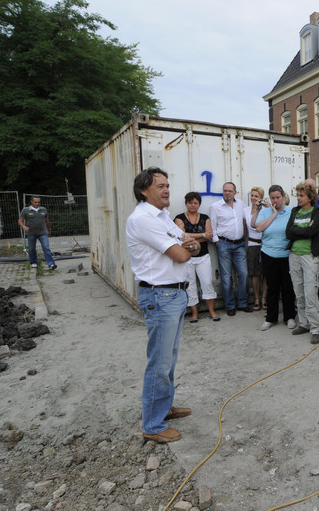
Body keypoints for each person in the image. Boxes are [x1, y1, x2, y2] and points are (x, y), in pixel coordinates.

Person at [125, 167, 199, 443]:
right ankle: (153, 425)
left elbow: (194, 247)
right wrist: (187, 246)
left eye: (167, 185)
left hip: (174, 294)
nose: (167, 190)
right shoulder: (143, 219)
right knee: (159, 361)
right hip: (160, 296)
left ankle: (164, 407)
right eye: (160, 186)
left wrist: (189, 245)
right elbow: (182, 254)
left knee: (169, 358)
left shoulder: (163, 216)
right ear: (144, 191)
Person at [286, 182, 319, 344]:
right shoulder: (294, 211)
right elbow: (288, 232)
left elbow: (313, 230)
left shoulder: (317, 212)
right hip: (294, 255)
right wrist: (303, 230)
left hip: (310, 256)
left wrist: (297, 229)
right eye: (298, 195)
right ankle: (304, 323)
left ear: (310, 197)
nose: (298, 198)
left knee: (310, 293)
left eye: (301, 195)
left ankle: (316, 329)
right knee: (299, 291)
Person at [253, 185, 296, 331]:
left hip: (287, 255)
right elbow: (259, 228)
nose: (275, 200)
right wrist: (273, 214)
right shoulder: (265, 212)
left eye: (278, 197)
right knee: (272, 287)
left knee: (287, 287)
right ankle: (270, 318)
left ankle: (289, 317)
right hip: (268, 253)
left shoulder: (291, 212)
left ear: (283, 197)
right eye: (272, 198)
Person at [174, 192, 219, 323]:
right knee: (190, 285)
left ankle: (212, 311)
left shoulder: (205, 218)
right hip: (187, 257)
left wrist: (192, 236)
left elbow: (209, 236)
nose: (193, 205)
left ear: (199, 204)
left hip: (203, 256)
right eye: (190, 203)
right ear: (186, 203)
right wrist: (202, 235)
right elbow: (180, 236)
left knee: (207, 283)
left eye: (195, 203)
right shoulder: (179, 218)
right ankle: (194, 313)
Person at [210, 182, 251, 316]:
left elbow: (246, 219)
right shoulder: (215, 207)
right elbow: (212, 227)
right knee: (226, 277)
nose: (227, 193)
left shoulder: (241, 204)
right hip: (224, 244)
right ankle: (229, 305)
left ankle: (243, 303)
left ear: (235, 192)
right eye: (225, 190)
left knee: (244, 274)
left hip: (239, 245)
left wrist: (243, 235)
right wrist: (217, 242)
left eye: (230, 191)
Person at [18, 196, 57, 270]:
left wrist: (49, 229)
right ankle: (33, 262)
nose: (37, 204)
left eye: (38, 202)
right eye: (35, 202)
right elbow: (20, 220)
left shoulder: (43, 209)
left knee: (46, 248)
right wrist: (23, 226)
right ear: (31, 202)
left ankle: (51, 264)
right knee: (32, 248)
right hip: (31, 232)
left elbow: (47, 220)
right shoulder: (26, 210)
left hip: (43, 232)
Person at [247, 187, 267, 311]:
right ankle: (257, 298)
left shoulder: (265, 210)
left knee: (265, 273)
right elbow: (245, 228)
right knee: (255, 274)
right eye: (252, 195)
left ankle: (264, 298)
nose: (253, 198)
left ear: (261, 198)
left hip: (265, 244)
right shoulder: (245, 210)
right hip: (252, 244)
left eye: (256, 196)